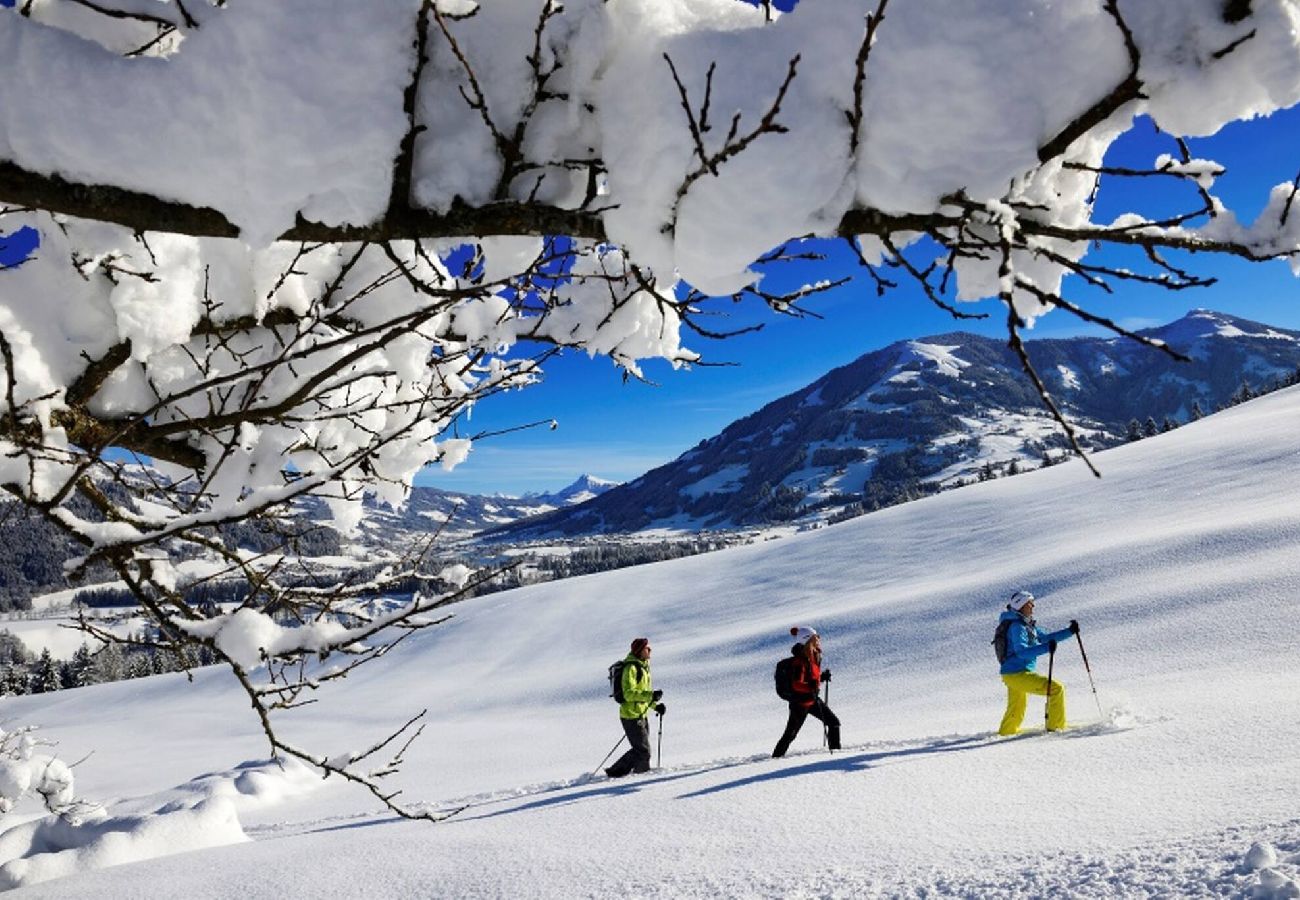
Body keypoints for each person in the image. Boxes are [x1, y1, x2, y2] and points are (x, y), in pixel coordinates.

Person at [997, 590, 1079, 735]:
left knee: (1016, 707)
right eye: (1030, 603)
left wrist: (1069, 631)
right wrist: (1047, 648)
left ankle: (1005, 734)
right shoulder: (1018, 626)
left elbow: (1046, 638)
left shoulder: (1026, 625)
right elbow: (1021, 652)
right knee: (1056, 689)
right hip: (1017, 673)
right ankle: (1056, 728)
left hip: (1014, 673)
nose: (1033, 606)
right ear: (1021, 605)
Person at [773, 626, 840, 757]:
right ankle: (775, 759)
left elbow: (811, 679)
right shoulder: (800, 661)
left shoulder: (814, 656)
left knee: (834, 723)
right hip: (800, 704)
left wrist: (821, 677)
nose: (819, 639)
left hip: (812, 700)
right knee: (790, 735)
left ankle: (837, 755)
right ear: (808, 640)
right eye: (816, 637)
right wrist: (811, 687)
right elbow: (797, 684)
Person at [605, 637, 664, 778]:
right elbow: (629, 694)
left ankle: (616, 772)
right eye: (647, 648)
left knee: (641, 750)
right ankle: (637, 776)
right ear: (640, 651)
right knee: (643, 752)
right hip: (630, 716)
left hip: (641, 715)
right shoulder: (631, 668)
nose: (650, 650)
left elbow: (642, 696)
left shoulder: (643, 667)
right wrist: (651, 695)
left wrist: (656, 707)